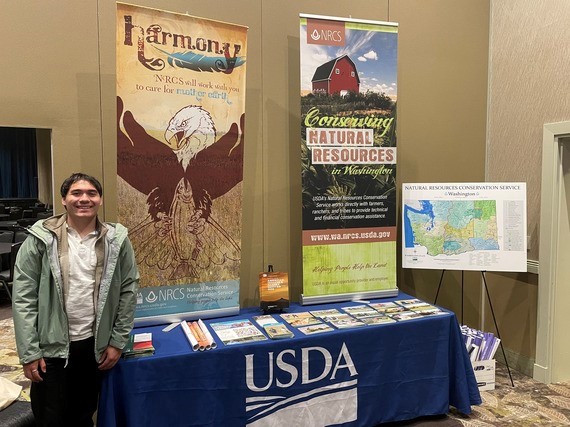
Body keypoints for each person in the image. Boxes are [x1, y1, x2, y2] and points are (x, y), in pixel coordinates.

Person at [12, 172, 139, 426]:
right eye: (76, 193)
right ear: (64, 200)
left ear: (100, 200)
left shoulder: (116, 241)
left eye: (92, 193)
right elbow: (23, 297)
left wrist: (117, 341)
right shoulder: (40, 240)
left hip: (93, 346)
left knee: (83, 414)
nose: (84, 199)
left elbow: (129, 289)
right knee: (50, 416)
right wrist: (29, 352)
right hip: (50, 348)